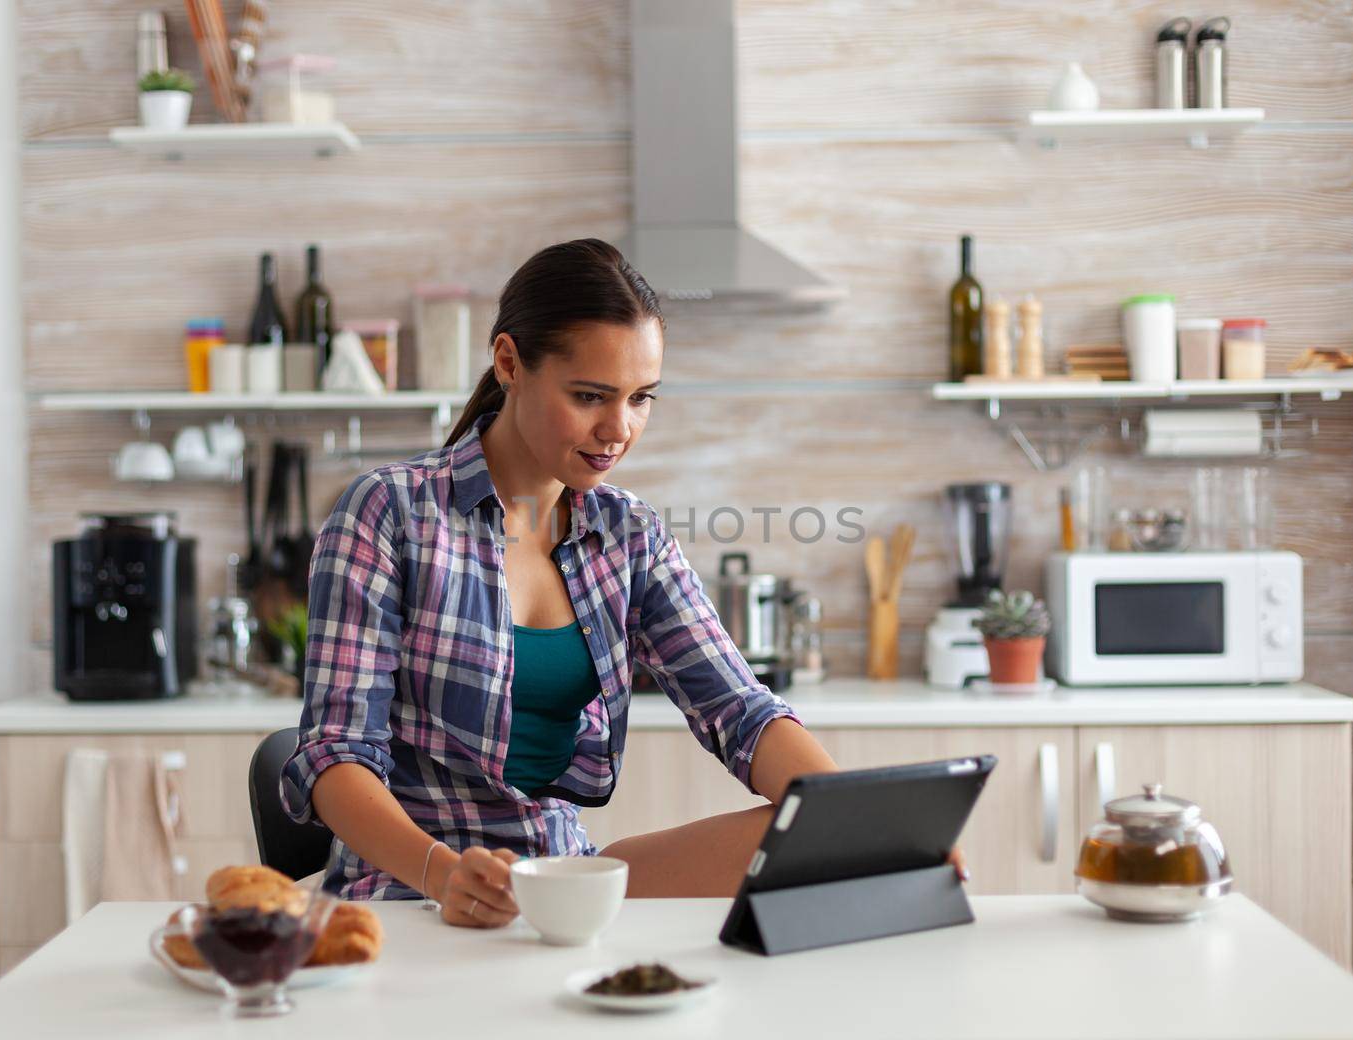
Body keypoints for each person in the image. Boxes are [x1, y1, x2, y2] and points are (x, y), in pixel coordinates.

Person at [281, 239, 963, 927]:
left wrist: (872, 835)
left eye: (641, 399)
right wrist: (440, 872)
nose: (619, 430)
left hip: (563, 880)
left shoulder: (628, 534)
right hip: (414, 894)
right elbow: (336, 752)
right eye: (589, 397)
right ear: (510, 362)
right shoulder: (388, 511)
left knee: (807, 842)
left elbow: (741, 712)